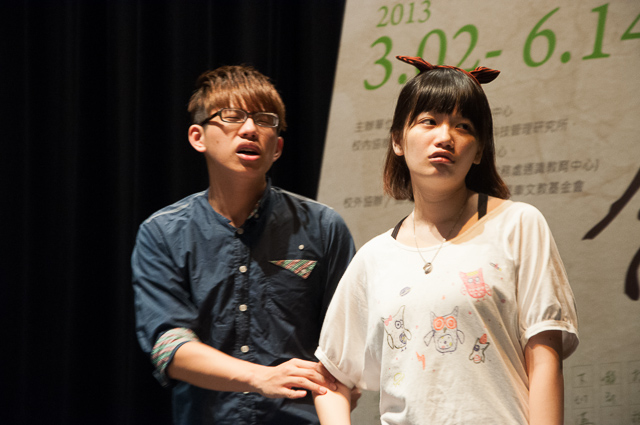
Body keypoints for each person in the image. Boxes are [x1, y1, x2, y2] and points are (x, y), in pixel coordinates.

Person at [313, 56, 579, 424]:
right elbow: (330, 379)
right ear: (397, 140)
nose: (445, 137)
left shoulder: (518, 225)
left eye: (463, 126)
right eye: (429, 121)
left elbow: (545, 357)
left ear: (479, 149)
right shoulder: (376, 257)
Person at [132, 65, 356, 424]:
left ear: (277, 147)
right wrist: (259, 377)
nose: (250, 129)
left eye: (265, 120)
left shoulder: (323, 227)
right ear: (198, 137)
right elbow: (168, 346)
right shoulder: (163, 233)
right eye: (232, 116)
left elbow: (345, 351)